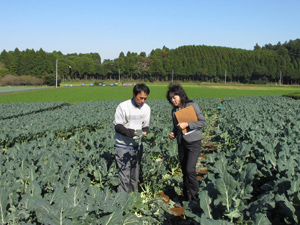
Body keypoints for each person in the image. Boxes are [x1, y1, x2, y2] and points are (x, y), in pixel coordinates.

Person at [166, 84, 206, 205]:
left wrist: (187, 124)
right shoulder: (174, 111)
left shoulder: (192, 106)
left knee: (190, 170)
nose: (173, 100)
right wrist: (173, 132)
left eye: (175, 97)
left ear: (181, 95)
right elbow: (176, 126)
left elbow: (202, 122)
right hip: (181, 142)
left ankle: (194, 199)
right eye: (171, 99)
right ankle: (186, 196)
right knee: (184, 170)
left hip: (194, 142)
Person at [114, 83, 151, 193]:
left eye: (145, 98)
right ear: (134, 94)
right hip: (122, 146)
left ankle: (134, 198)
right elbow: (118, 126)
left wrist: (144, 133)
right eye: (141, 98)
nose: (143, 101)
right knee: (124, 176)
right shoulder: (123, 107)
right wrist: (133, 133)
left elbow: (146, 127)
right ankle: (122, 201)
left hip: (137, 147)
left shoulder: (146, 109)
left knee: (135, 175)